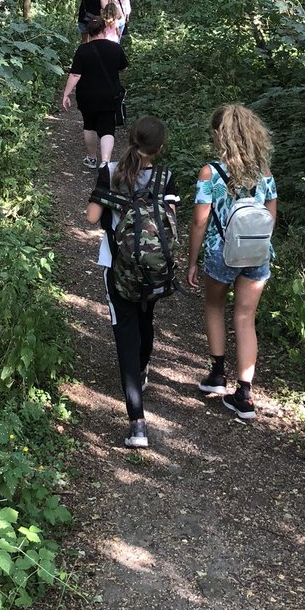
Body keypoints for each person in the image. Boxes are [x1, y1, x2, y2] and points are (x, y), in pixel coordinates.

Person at [87, 117, 180, 448]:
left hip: (116, 266)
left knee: (125, 332)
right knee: (146, 319)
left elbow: (92, 218)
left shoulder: (110, 171)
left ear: (130, 139)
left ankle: (137, 423)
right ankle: (140, 373)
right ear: (160, 148)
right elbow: (169, 223)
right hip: (153, 269)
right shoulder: (166, 178)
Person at [186, 103, 278, 421]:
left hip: (220, 253)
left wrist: (191, 261)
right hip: (257, 255)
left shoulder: (211, 172)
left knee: (214, 308)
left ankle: (216, 375)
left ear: (218, 135)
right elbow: (270, 218)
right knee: (245, 319)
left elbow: (200, 221)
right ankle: (244, 394)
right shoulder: (265, 174)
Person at [61, 16, 128, 168]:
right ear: (105, 30)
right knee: (107, 128)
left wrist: (66, 94)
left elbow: (75, 74)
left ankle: (91, 158)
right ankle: (105, 162)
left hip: (87, 95)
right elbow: (122, 67)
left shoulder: (83, 50)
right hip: (110, 95)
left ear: (89, 32)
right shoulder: (115, 48)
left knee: (89, 125)